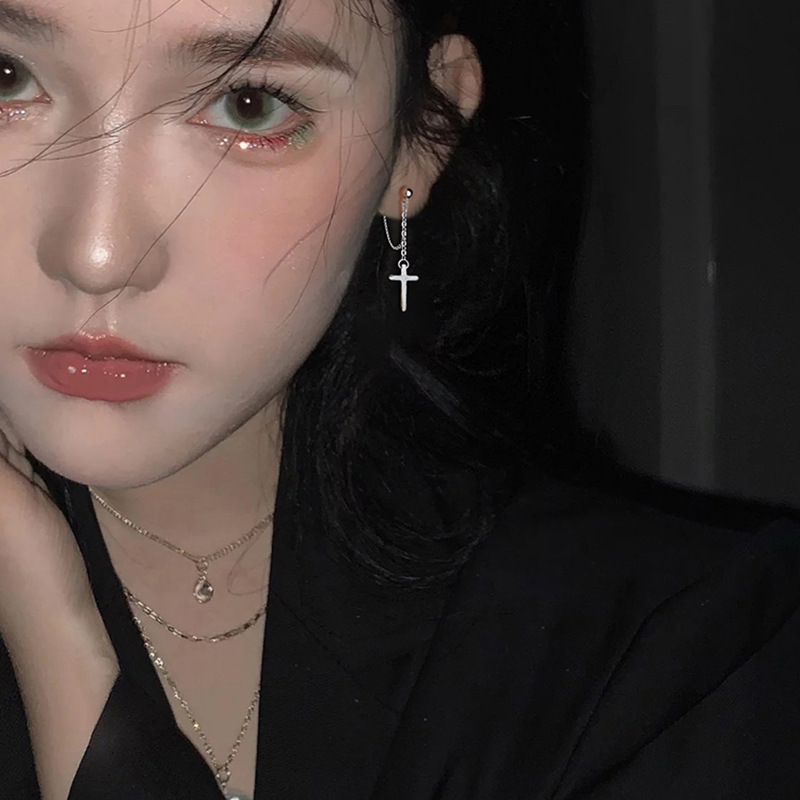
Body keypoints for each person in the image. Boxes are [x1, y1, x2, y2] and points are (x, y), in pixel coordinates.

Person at [1, 1, 800, 799]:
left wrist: (62, 656)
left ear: (420, 138)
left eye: (250, 103)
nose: (97, 255)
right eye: (7, 78)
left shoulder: (676, 648)